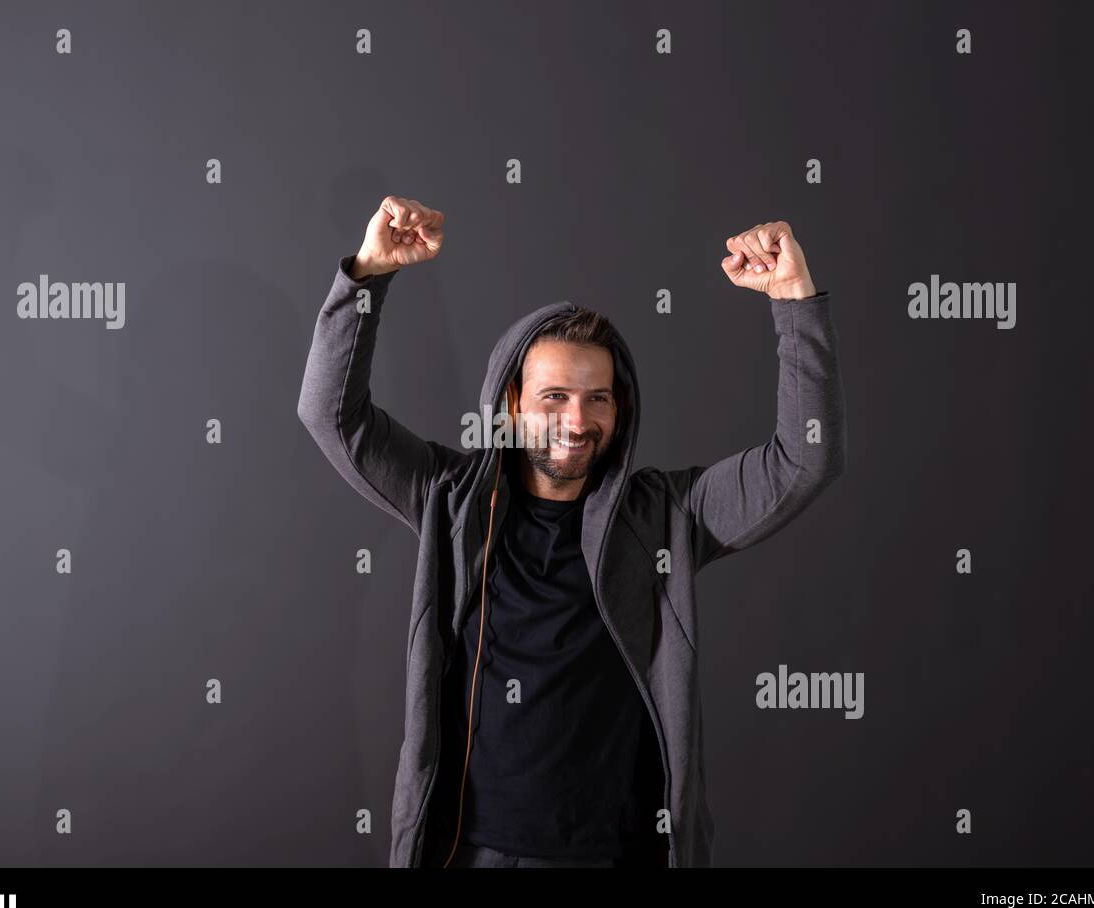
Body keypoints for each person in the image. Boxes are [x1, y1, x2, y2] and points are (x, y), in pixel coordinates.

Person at [298, 195, 847, 867]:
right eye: (554, 396)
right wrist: (368, 276)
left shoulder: (666, 514)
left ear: (621, 408)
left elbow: (803, 458)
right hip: (471, 854)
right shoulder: (450, 496)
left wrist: (794, 304)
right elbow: (331, 415)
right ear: (512, 403)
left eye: (598, 398)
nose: (577, 419)